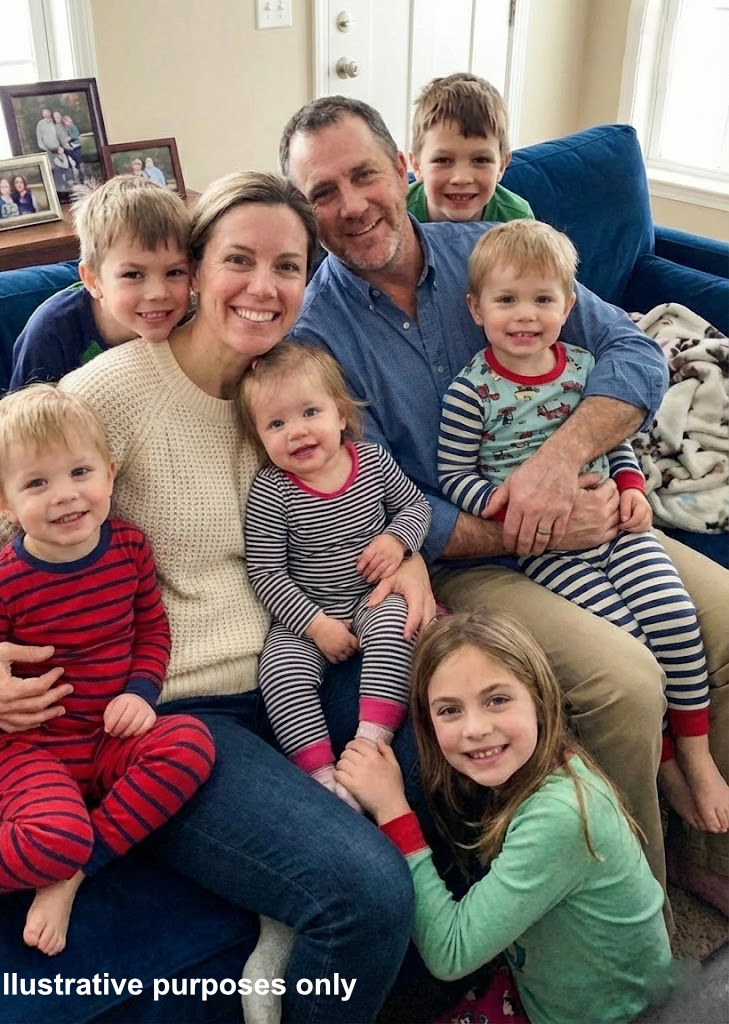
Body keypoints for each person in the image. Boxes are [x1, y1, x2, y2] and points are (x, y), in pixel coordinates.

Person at [0, 171, 434, 1022]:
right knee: (366, 894)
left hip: (301, 663)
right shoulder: (112, 390)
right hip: (180, 710)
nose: (263, 286)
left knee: (455, 772)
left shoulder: (290, 385)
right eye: (239, 260)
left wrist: (407, 558)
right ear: (196, 269)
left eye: (287, 266)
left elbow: (370, 492)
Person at [281, 94, 729, 911]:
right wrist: (527, 527)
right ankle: (635, 908)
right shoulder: (315, 338)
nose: (350, 205)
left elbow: (630, 349)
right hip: (463, 560)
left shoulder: (489, 253)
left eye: (364, 175)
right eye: (321, 193)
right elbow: (371, 496)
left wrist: (560, 464)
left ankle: (709, 850)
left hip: (589, 511)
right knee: (624, 682)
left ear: (400, 168)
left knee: (726, 616)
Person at [0, 384, 215, 975]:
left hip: (107, 738)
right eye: (37, 483)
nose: (66, 495)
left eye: (80, 472)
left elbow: (153, 630)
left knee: (192, 744)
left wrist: (141, 691)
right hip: (25, 749)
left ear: (110, 474)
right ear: (3, 504)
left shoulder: (129, 549)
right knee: (55, 836)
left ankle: (72, 873)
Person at [437, 219, 729, 834]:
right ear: (476, 309)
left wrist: (633, 488)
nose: (526, 315)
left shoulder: (582, 368)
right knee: (629, 643)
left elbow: (613, 441)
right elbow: (454, 476)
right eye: (507, 300)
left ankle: (696, 753)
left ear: (568, 306)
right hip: (545, 551)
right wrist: (510, 505)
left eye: (543, 299)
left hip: (616, 529)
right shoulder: (471, 392)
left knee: (675, 618)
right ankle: (664, 764)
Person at [337, 608, 672, 1024]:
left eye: (497, 700)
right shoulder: (537, 768)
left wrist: (392, 810)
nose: (475, 729)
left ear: (539, 699)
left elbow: (450, 953)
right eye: (450, 710)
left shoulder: (561, 817)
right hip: (548, 991)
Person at [236, 341, 431, 807]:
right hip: (308, 612)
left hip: (370, 595)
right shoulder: (272, 491)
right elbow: (266, 572)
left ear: (341, 414)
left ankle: (371, 741)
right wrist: (315, 625)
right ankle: (323, 778)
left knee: (397, 628)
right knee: (279, 673)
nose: (297, 432)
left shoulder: (373, 462)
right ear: (259, 437)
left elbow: (415, 506)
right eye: (276, 424)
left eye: (310, 412)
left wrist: (398, 540)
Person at [10, 175, 191, 388]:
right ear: (93, 280)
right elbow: (25, 410)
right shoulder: (50, 333)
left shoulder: (191, 320)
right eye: (133, 275)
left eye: (174, 272)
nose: (158, 293)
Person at [407, 73, 533, 225]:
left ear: (502, 165)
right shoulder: (398, 213)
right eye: (443, 160)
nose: (462, 178)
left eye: (480, 160)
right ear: (417, 165)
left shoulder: (517, 219)